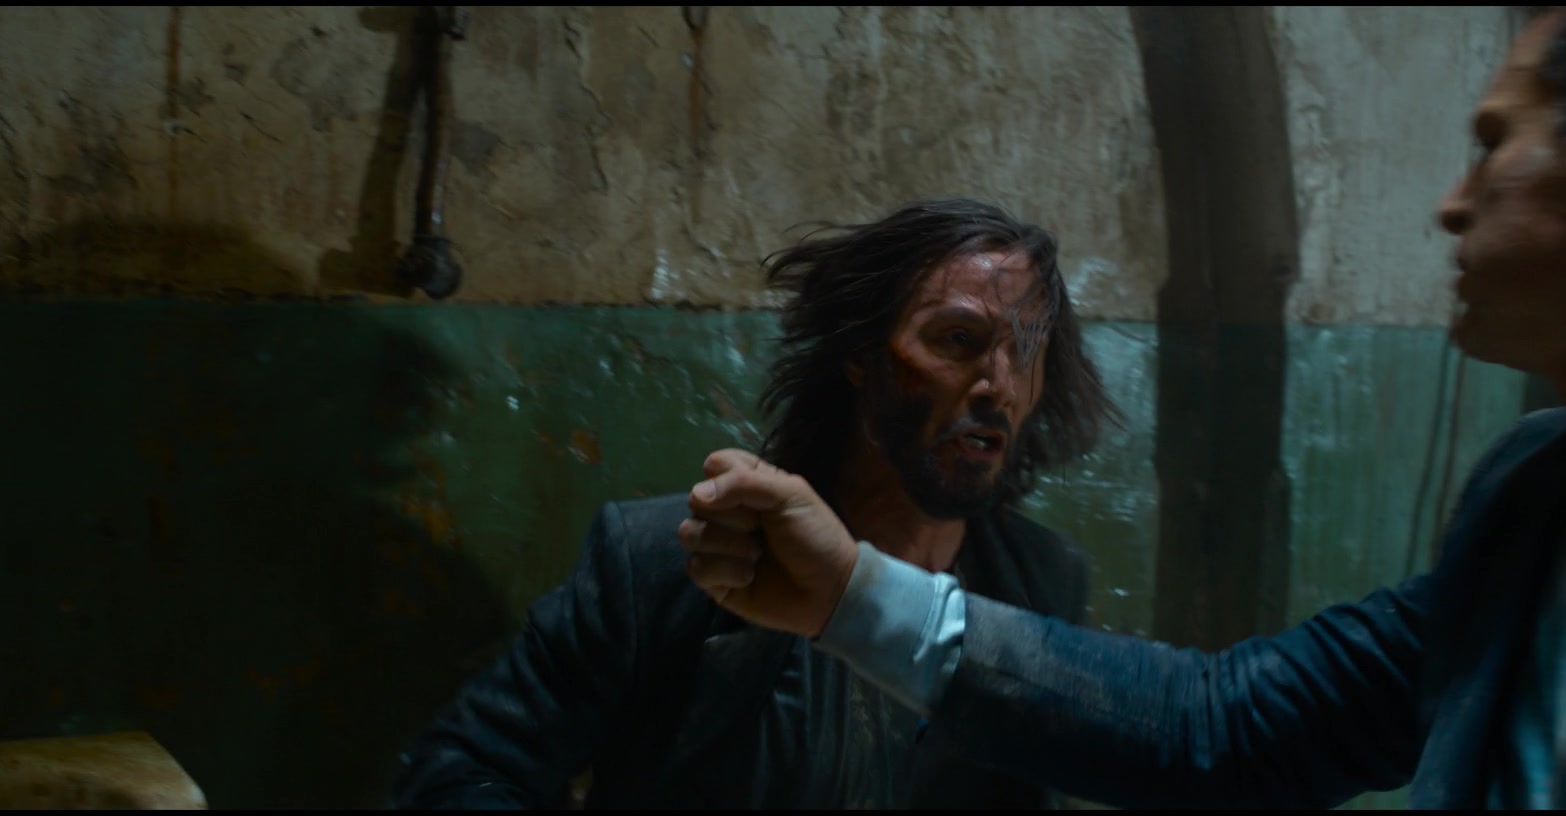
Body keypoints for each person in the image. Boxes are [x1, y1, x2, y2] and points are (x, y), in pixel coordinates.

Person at [677, 6, 1566, 809]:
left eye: (1495, 142)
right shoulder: (1538, 499)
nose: (1451, 202)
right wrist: (850, 592)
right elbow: (1230, 722)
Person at [390, 198, 1120, 808]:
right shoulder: (670, 561)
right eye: (958, 339)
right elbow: (462, 773)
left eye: (1027, 352)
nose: (1000, 386)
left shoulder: (1040, 581)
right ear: (861, 354)